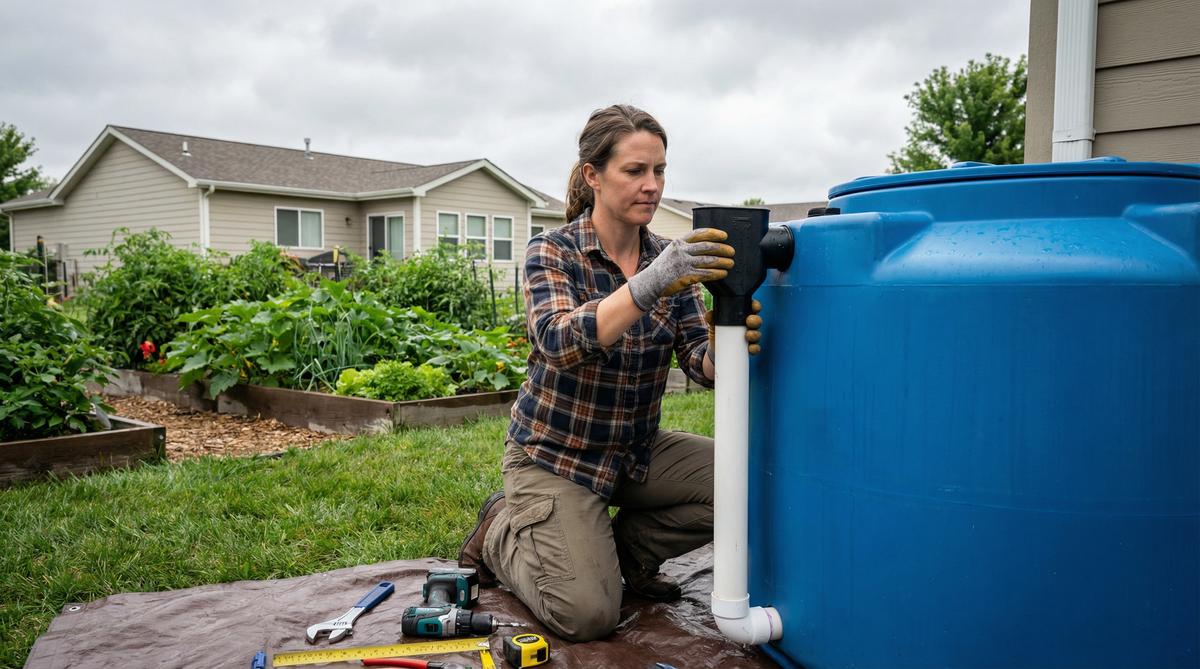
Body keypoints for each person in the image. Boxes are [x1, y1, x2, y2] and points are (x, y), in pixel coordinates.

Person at [458, 104, 763, 642]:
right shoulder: (554, 251)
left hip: (635, 451)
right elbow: (558, 340)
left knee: (752, 479)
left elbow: (699, 363)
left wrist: (725, 342)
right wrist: (649, 284)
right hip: (556, 456)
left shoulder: (668, 259)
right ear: (593, 176)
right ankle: (501, 530)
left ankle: (627, 552)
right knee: (587, 617)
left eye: (660, 170)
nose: (652, 185)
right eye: (635, 170)